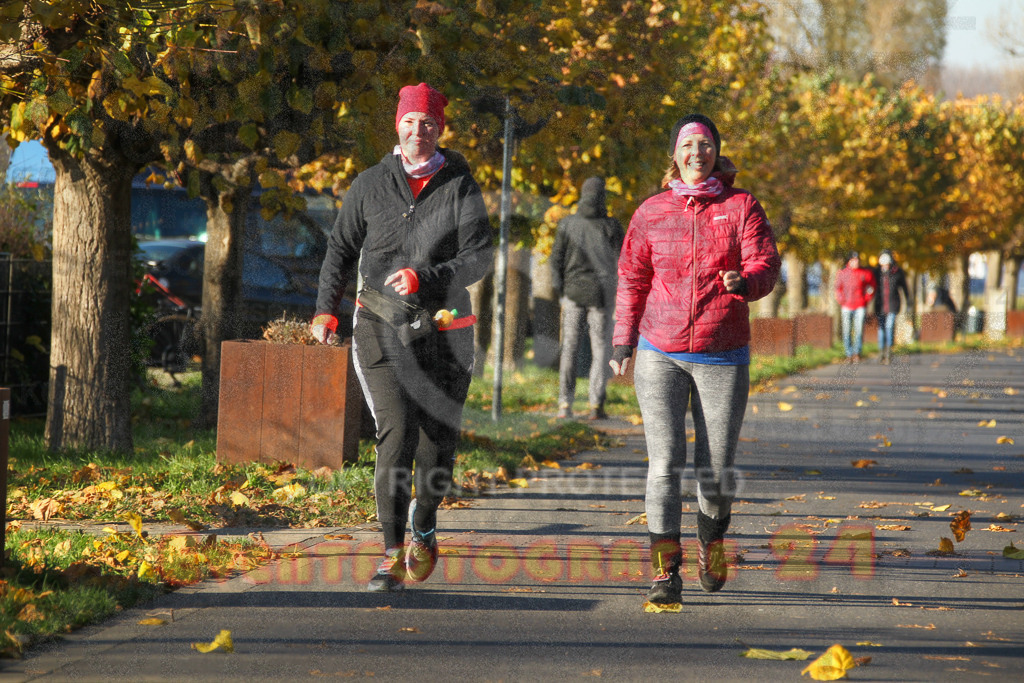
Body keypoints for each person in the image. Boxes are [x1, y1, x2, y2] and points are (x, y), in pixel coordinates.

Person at [312, 83, 493, 592]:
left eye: (428, 124)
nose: (419, 131)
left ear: (440, 130)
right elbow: (340, 251)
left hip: (446, 331)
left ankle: (425, 521)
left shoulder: (460, 185)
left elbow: (480, 256)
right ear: (398, 125)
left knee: (437, 445)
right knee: (396, 434)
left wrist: (426, 277)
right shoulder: (370, 184)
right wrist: (325, 311)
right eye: (411, 122)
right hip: (380, 325)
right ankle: (390, 554)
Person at [608, 113, 780, 606]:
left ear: (715, 152)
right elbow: (632, 278)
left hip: (721, 351)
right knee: (664, 464)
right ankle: (665, 573)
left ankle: (710, 540)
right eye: (688, 144)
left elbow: (765, 263)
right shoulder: (651, 211)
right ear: (675, 154)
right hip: (659, 351)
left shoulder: (741, 206)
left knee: (716, 470)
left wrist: (745, 283)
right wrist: (624, 340)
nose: (696, 153)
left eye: (705, 144)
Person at [550, 177, 625, 420]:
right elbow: (621, 263)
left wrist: (561, 290)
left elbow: (556, 261)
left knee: (569, 349)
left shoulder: (567, 224)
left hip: (572, 294)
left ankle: (565, 404)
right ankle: (596, 405)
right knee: (601, 351)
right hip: (602, 297)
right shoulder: (612, 227)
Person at [834, 251, 876, 362]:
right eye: (854, 260)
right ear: (849, 261)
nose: (856, 262)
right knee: (846, 330)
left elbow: (871, 287)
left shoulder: (865, 273)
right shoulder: (842, 273)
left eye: (858, 260)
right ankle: (848, 353)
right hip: (846, 306)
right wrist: (841, 299)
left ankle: (857, 353)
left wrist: (866, 298)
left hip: (860, 305)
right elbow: (838, 288)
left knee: (859, 330)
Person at [872, 249, 909, 364]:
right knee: (881, 329)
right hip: (880, 305)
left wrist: (908, 301)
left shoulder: (897, 272)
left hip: (893, 304)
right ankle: (881, 351)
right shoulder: (876, 272)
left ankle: (888, 351)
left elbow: (904, 287)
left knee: (889, 326)